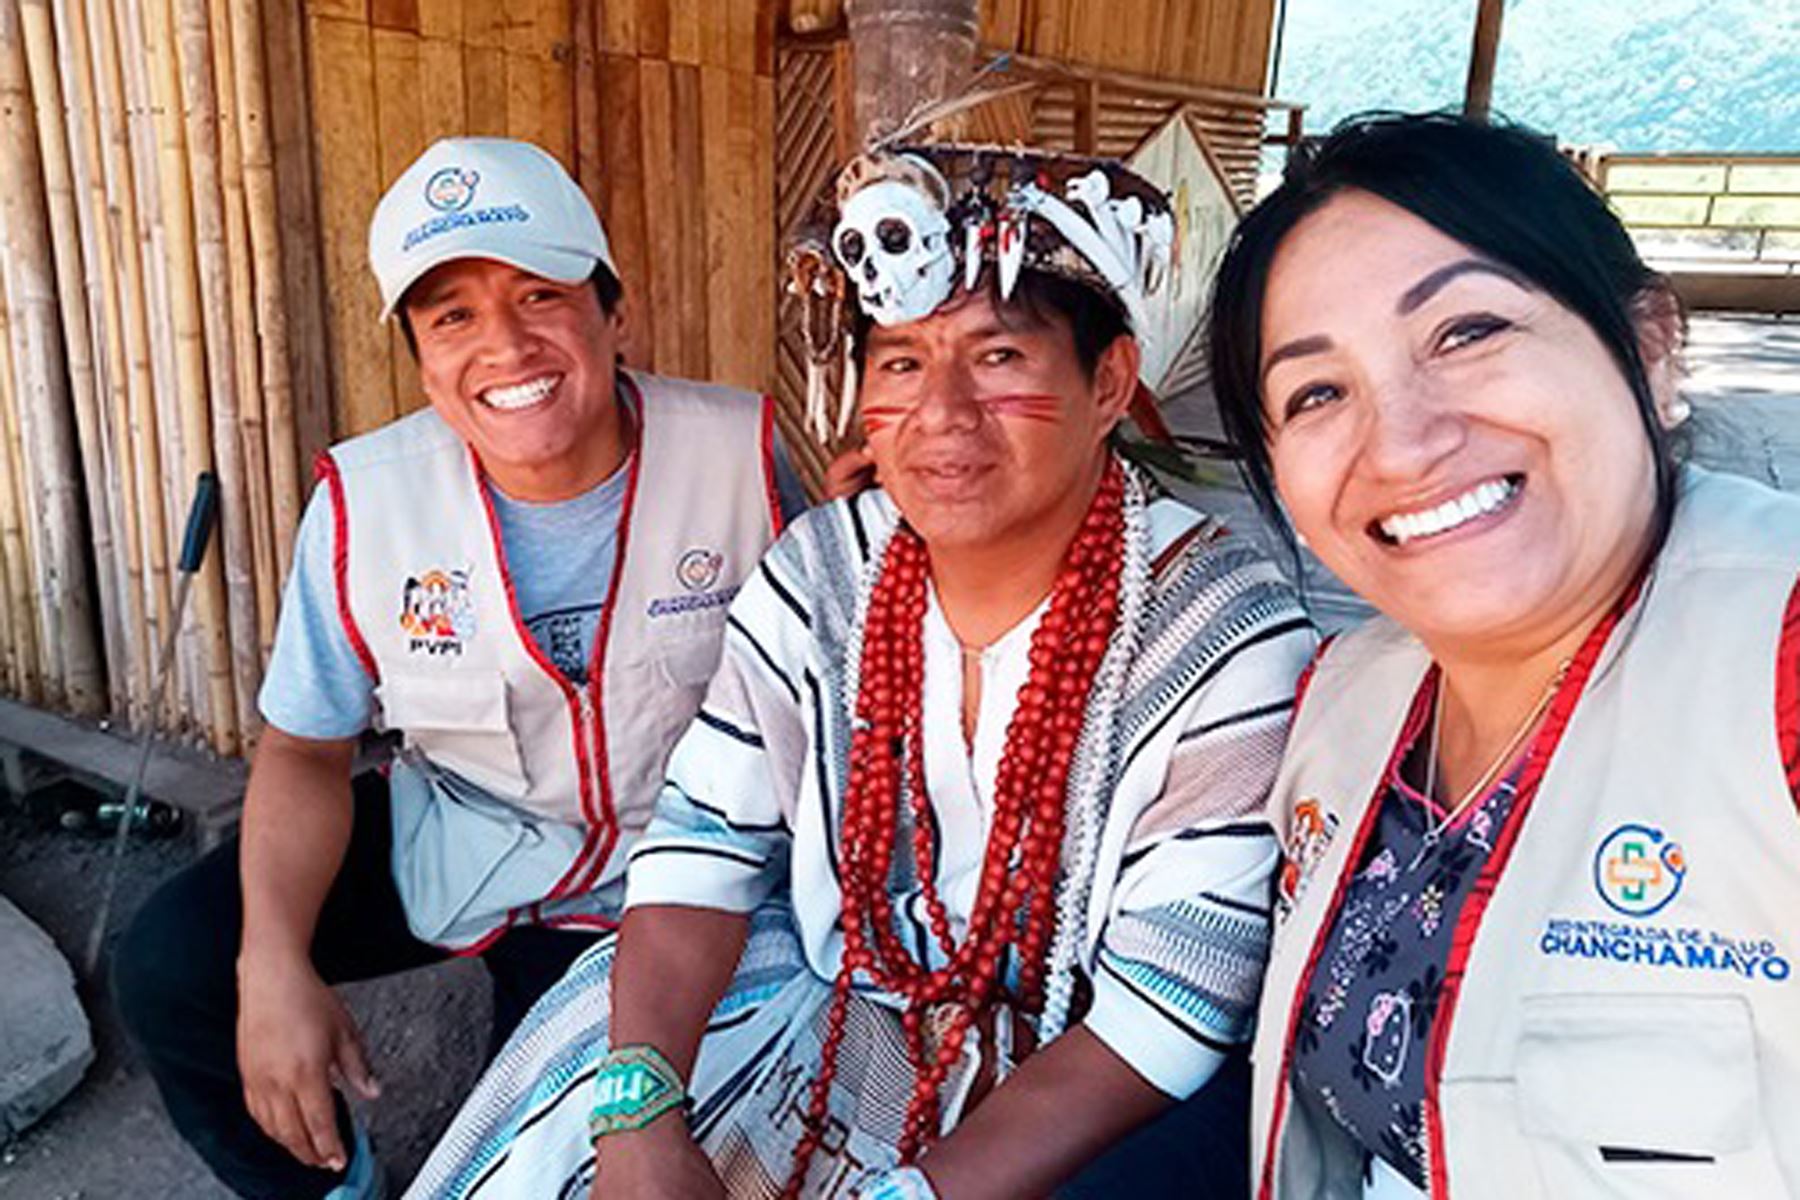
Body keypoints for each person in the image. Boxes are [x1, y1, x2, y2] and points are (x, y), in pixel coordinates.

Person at [404, 143, 1315, 1199]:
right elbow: (702, 842)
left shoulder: (1220, 628)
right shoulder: (825, 568)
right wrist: (640, 1113)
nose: (941, 413)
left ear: (1109, 381)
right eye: (899, 362)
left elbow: (1169, 1003)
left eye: (1000, 358)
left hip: (1082, 1087)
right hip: (834, 1014)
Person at [114, 136, 804, 1200]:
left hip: (675, 881)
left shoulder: (743, 455)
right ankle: (328, 1184)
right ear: (422, 357)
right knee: (172, 964)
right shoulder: (364, 502)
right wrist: (273, 964)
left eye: (540, 295)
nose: (506, 347)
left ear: (614, 317)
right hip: (464, 839)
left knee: (537, 1153)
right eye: (453, 317)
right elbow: (304, 747)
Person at [1206, 111, 1800, 1199]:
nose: (1403, 441)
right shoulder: (1344, 703)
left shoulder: (1780, 660)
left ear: (1652, 347)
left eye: (1467, 332)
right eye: (1318, 393)